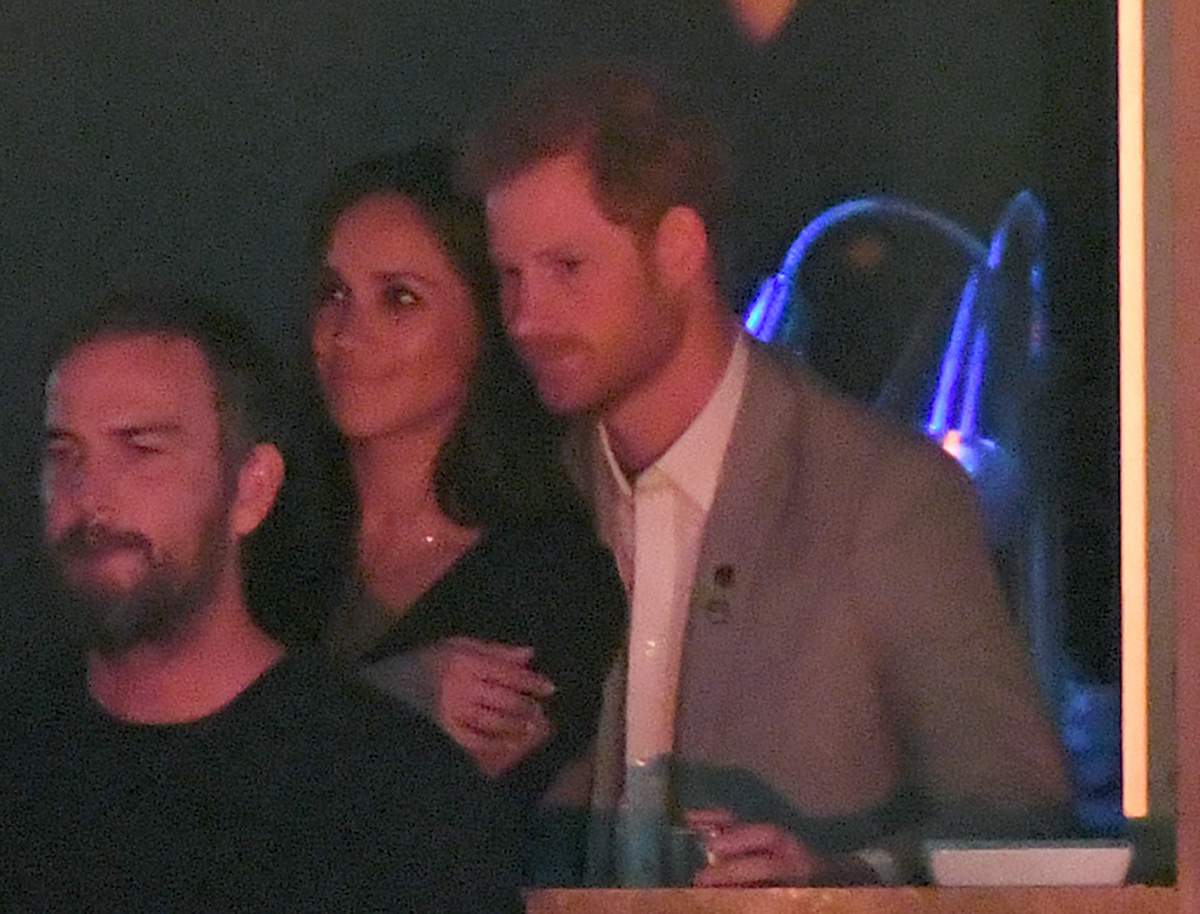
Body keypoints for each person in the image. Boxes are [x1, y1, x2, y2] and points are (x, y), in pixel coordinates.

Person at [461, 62, 1072, 887]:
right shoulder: (529, 496)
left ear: (679, 250)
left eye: (567, 268)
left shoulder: (881, 498)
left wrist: (845, 878)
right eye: (510, 277)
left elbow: (1023, 826)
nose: (527, 319)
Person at [0, 291, 521, 913]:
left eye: (141, 450)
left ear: (251, 489)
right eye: (64, 454)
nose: (90, 496)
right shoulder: (22, 762)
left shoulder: (388, 794)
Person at [306, 145, 625, 869]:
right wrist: (395, 694)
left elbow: (398, 819)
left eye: (400, 298)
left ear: (486, 324)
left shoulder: (549, 580)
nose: (348, 332)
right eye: (332, 293)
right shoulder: (257, 534)